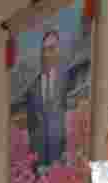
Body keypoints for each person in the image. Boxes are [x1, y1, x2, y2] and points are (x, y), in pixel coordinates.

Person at [16, 29, 69, 169]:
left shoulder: (66, 80)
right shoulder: (33, 87)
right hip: (38, 161)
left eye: (51, 49)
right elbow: (30, 125)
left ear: (58, 51)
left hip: (61, 156)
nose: (47, 54)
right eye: (44, 50)